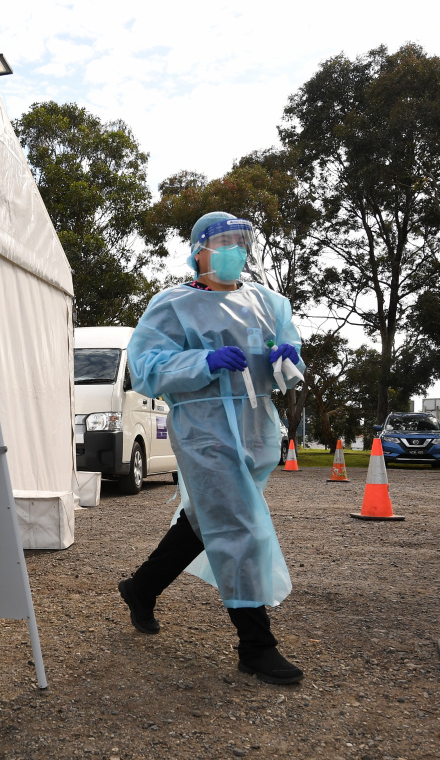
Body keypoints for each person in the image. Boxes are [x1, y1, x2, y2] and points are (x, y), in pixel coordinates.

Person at [117, 211, 305, 685]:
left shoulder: (268, 302)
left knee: (206, 518)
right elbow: (146, 369)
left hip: (256, 427)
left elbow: (288, 355)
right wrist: (204, 360)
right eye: (223, 242)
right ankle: (256, 646)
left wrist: (287, 357)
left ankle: (141, 588)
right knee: (240, 526)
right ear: (198, 251)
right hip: (203, 430)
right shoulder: (173, 305)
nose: (234, 251)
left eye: (241, 242)